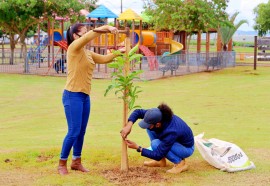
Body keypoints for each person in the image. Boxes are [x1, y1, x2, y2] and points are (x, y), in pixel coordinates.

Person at [58, 23, 119, 175]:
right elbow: (90, 35)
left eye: (86, 33)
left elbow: (105, 59)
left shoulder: (87, 53)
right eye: (83, 34)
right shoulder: (73, 49)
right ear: (75, 36)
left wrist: (122, 52)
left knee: (81, 131)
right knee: (73, 131)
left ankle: (76, 161)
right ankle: (62, 163)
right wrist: (107, 28)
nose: (86, 36)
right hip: (72, 95)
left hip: (85, 97)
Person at [120, 103, 195, 174]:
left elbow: (158, 154)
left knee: (155, 144)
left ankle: (180, 163)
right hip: (174, 140)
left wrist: (138, 148)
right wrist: (129, 125)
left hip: (186, 148)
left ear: (158, 124)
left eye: (151, 125)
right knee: (150, 129)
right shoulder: (156, 115)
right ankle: (160, 162)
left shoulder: (171, 131)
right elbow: (138, 112)